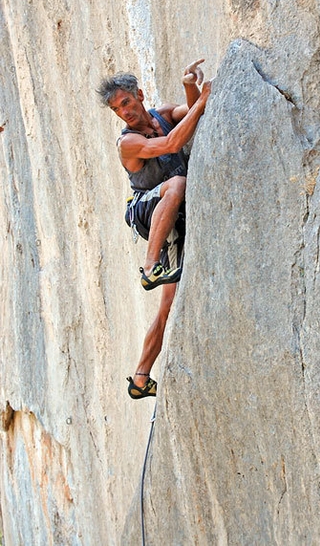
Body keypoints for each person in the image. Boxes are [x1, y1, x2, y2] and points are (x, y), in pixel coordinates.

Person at [97, 60, 211, 398]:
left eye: (127, 102)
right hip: (146, 211)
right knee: (176, 183)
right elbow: (174, 144)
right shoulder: (127, 143)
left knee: (168, 303)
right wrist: (203, 101)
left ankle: (140, 378)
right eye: (118, 109)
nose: (125, 112)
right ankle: (149, 268)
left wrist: (190, 86)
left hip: (169, 216)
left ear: (139, 95)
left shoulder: (160, 114)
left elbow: (189, 114)